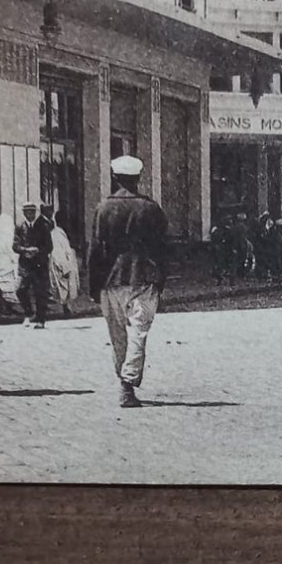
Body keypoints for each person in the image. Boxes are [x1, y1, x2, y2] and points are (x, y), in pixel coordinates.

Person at [89, 155, 169, 409]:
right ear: (138, 178)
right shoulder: (151, 208)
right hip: (143, 277)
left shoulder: (102, 208)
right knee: (138, 332)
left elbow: (95, 251)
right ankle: (127, 383)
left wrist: (93, 285)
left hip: (111, 280)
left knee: (117, 335)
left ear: (114, 177)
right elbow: (162, 249)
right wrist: (161, 280)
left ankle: (123, 381)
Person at [13, 203, 54, 328]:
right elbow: (15, 245)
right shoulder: (20, 226)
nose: (30, 214)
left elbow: (49, 246)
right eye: (27, 212)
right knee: (20, 290)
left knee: (40, 292)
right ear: (24, 213)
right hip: (25, 265)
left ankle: (41, 320)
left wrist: (37, 250)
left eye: (32, 212)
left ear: (35, 212)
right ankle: (29, 313)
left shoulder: (43, 226)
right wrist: (25, 250)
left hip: (39, 265)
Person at [48, 210, 79, 317]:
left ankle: (68, 308)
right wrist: (64, 267)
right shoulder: (56, 234)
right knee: (64, 288)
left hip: (67, 263)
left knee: (68, 288)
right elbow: (58, 252)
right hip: (62, 264)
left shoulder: (62, 233)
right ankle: (65, 309)